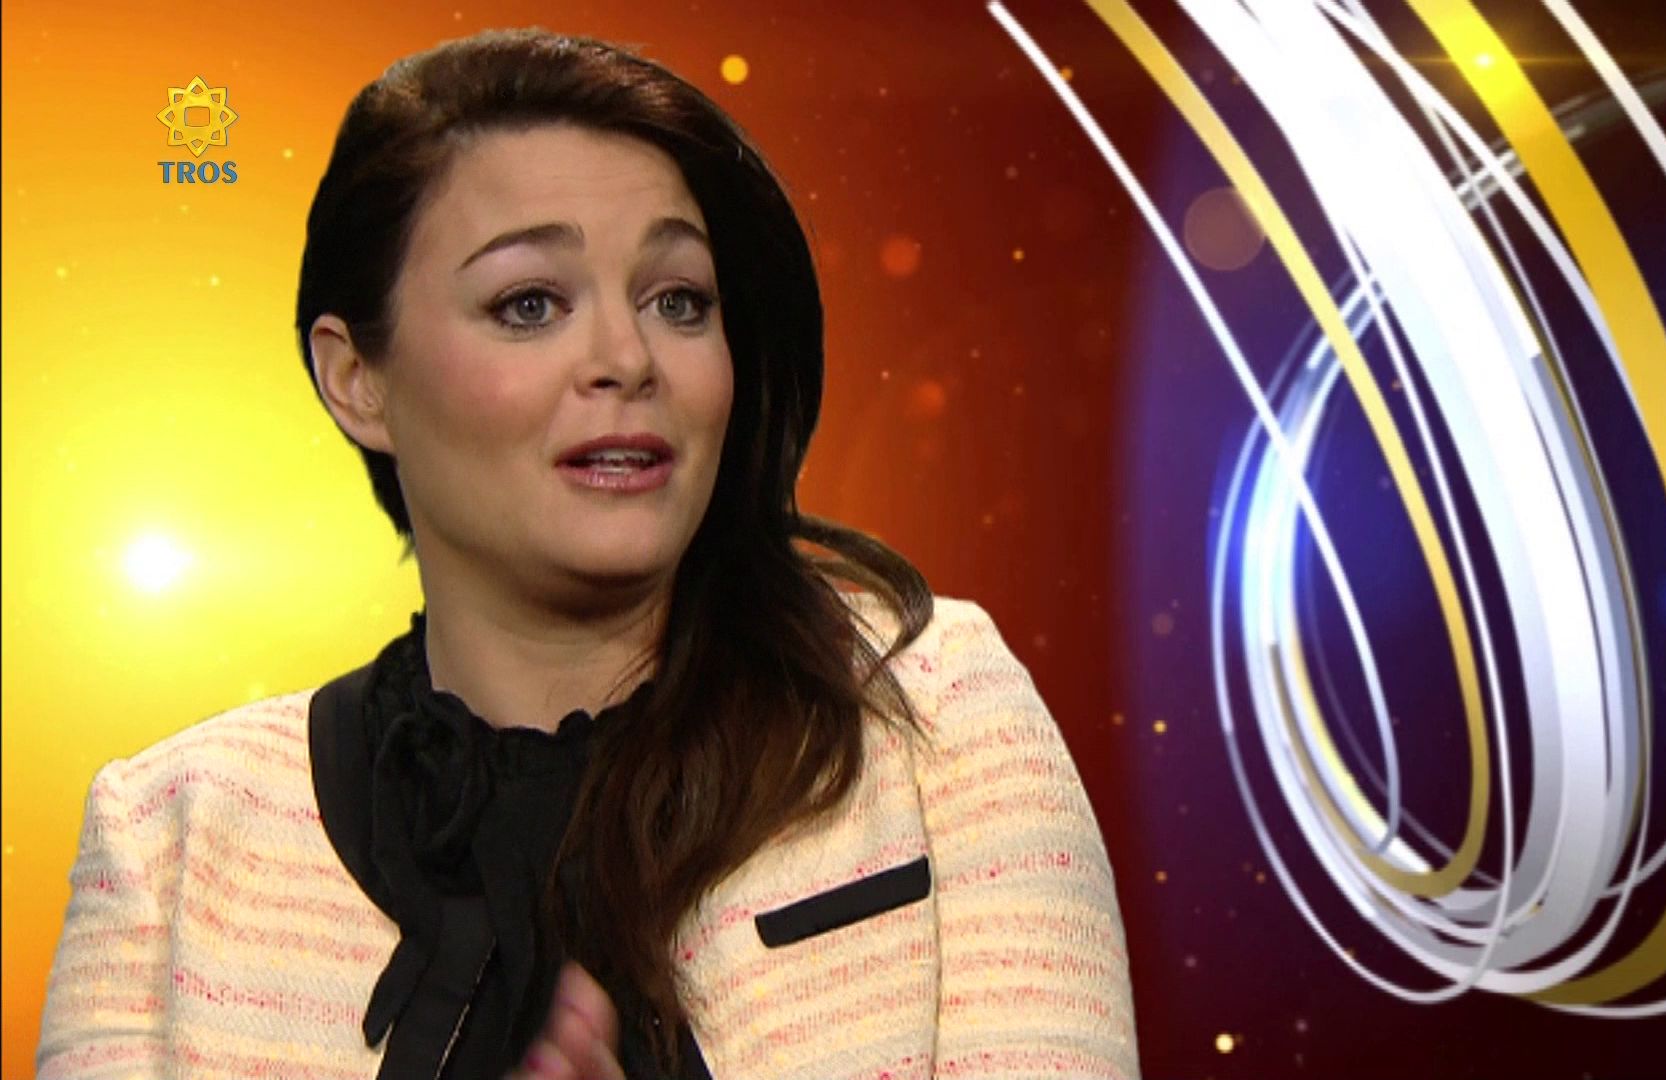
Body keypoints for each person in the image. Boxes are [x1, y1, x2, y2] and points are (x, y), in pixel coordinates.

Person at [35, 26, 1140, 1080]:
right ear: (356, 379)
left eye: (678, 300)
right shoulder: (168, 840)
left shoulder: (935, 712)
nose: (627, 357)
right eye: (529, 304)